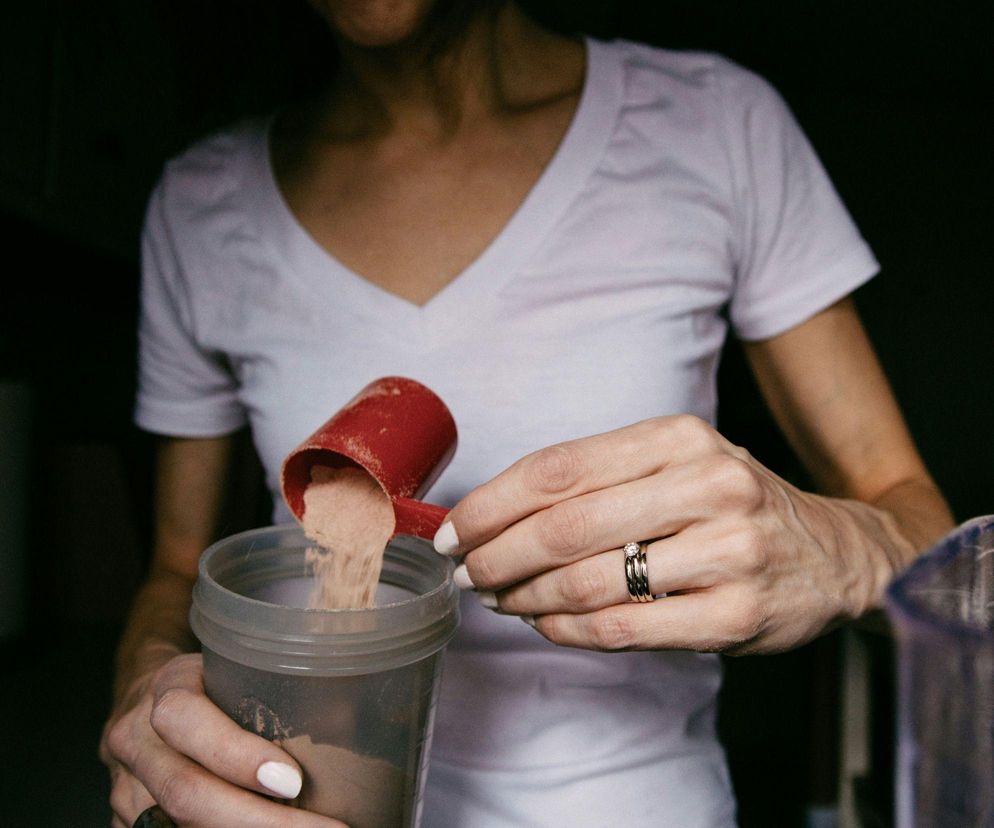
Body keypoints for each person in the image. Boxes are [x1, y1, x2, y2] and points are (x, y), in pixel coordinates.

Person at [100, 1, 954, 826]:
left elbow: (919, 520)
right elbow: (179, 568)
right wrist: (147, 687)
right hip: (306, 800)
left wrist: (843, 550)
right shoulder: (200, 207)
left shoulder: (717, 126)